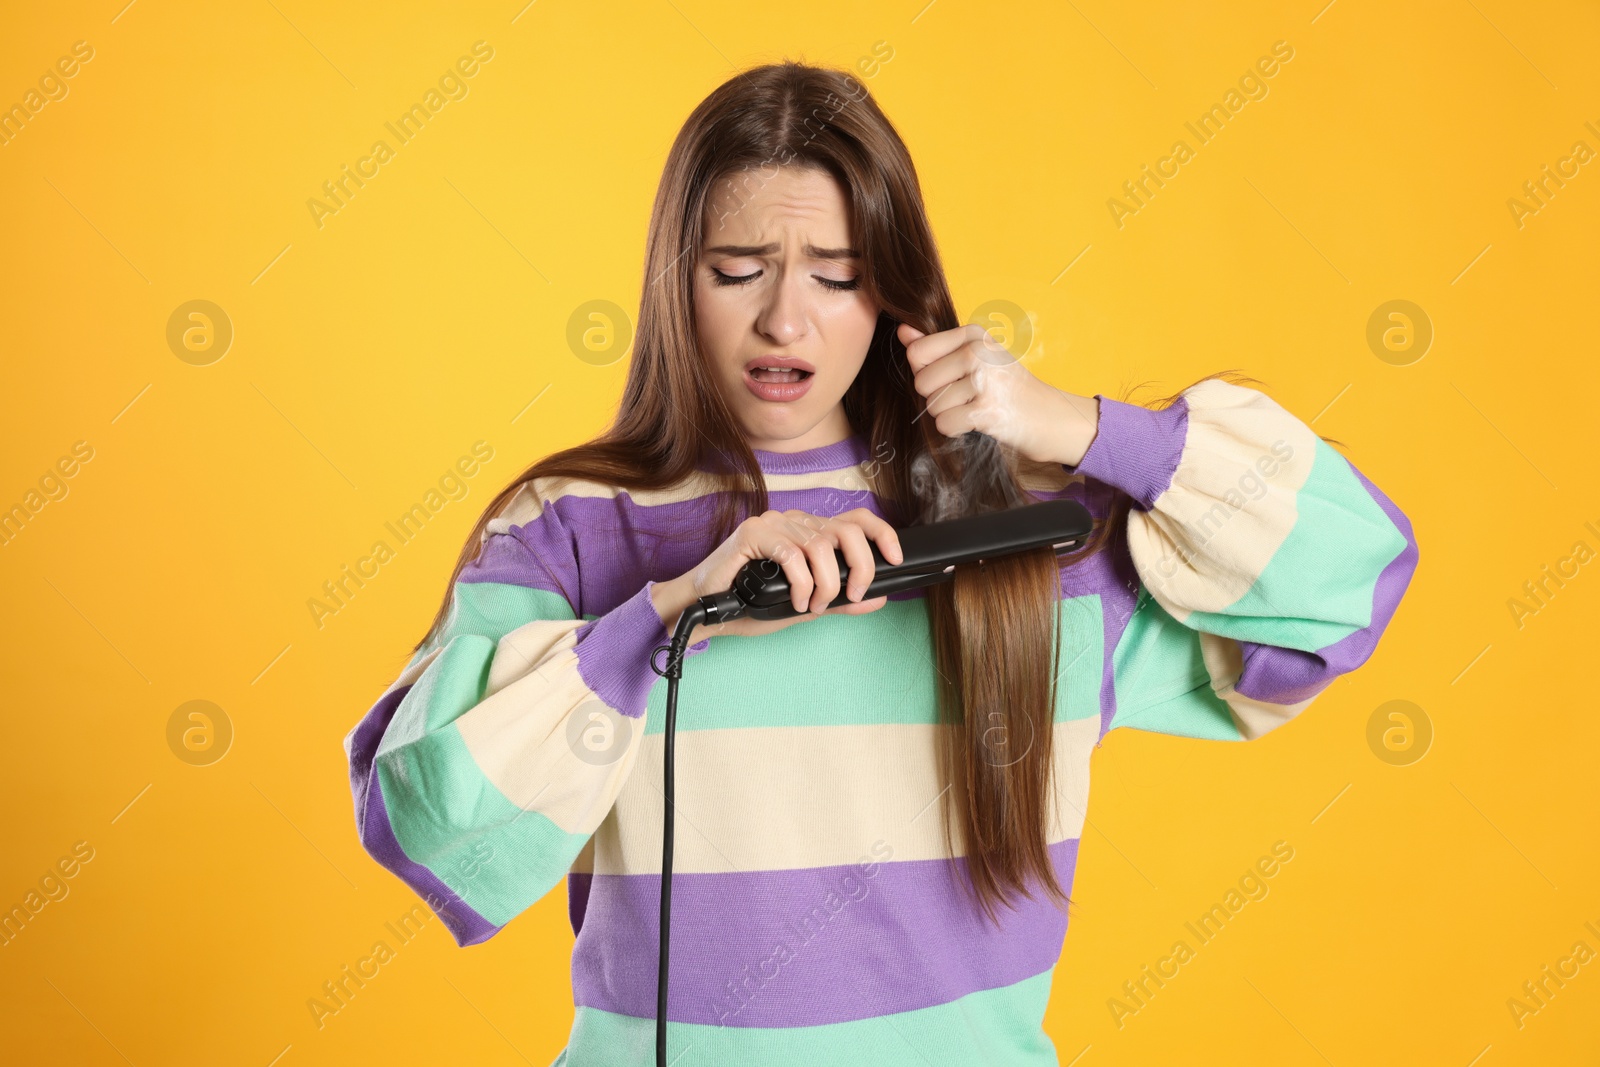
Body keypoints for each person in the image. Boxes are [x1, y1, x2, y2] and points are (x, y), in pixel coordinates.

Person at [343, 60, 1418, 1066]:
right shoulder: (574, 525)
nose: (782, 316)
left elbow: (1348, 578)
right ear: (678, 280)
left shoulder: (1035, 531)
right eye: (735, 269)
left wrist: (1080, 427)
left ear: (892, 295)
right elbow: (428, 823)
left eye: (836, 275)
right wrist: (665, 614)